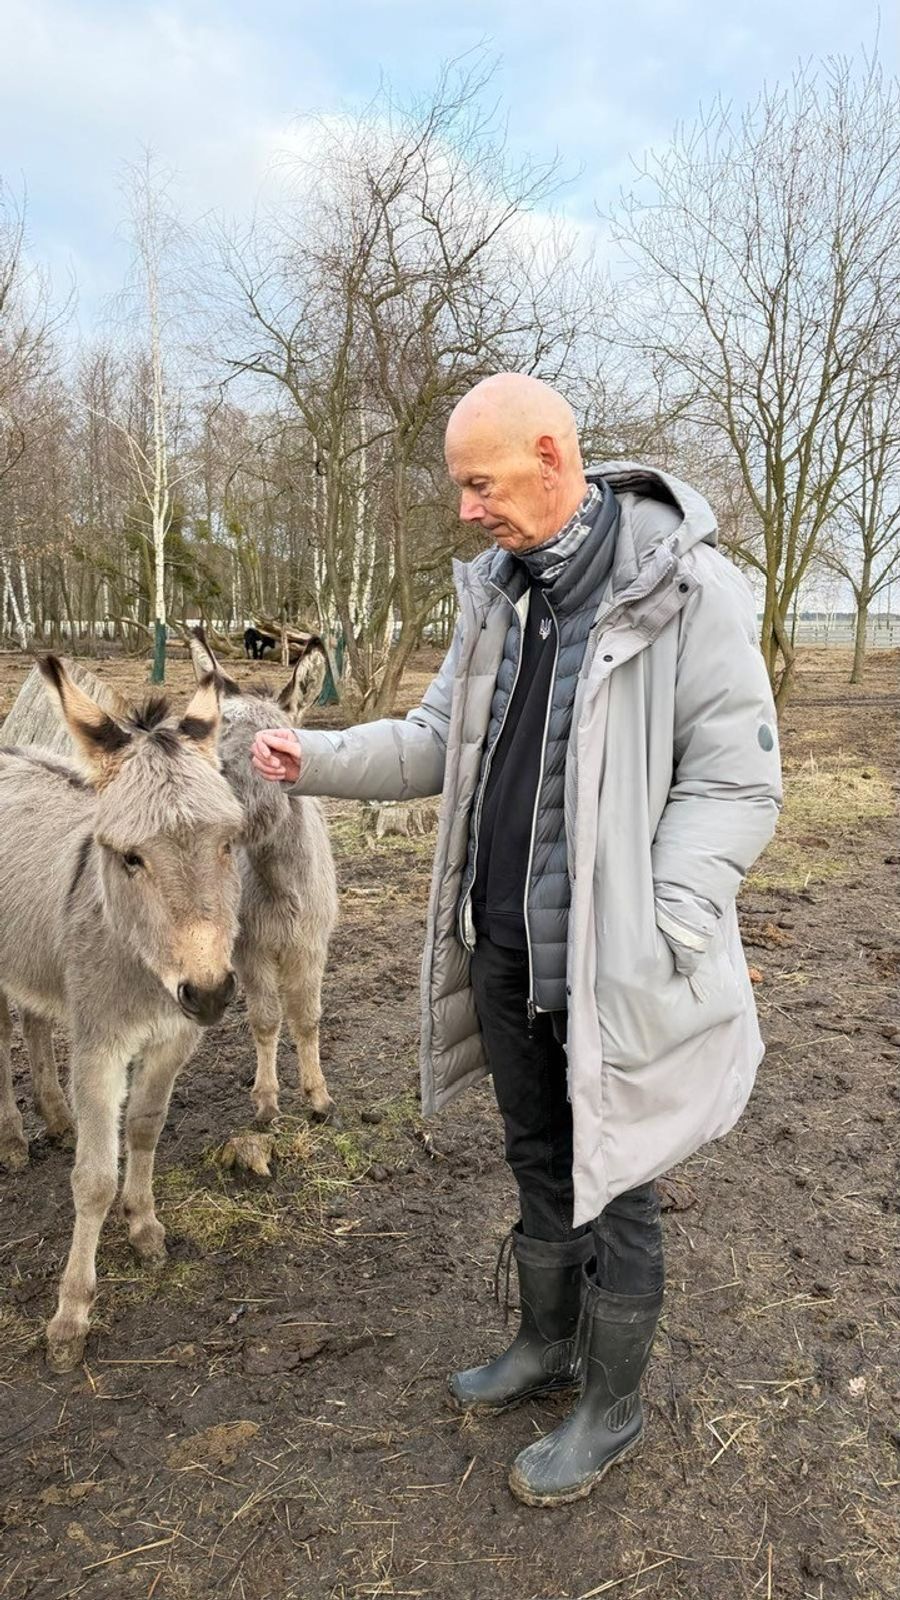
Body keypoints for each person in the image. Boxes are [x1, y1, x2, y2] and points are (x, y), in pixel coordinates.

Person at [251, 373, 782, 1507]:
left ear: (551, 456)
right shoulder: (499, 592)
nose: (467, 510)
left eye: (478, 484)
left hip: (615, 961)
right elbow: (442, 733)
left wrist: (665, 918)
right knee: (537, 1154)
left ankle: (615, 1402)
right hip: (503, 947)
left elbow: (738, 781)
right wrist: (319, 754)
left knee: (619, 1176)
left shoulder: (685, 589)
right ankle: (547, 1345)